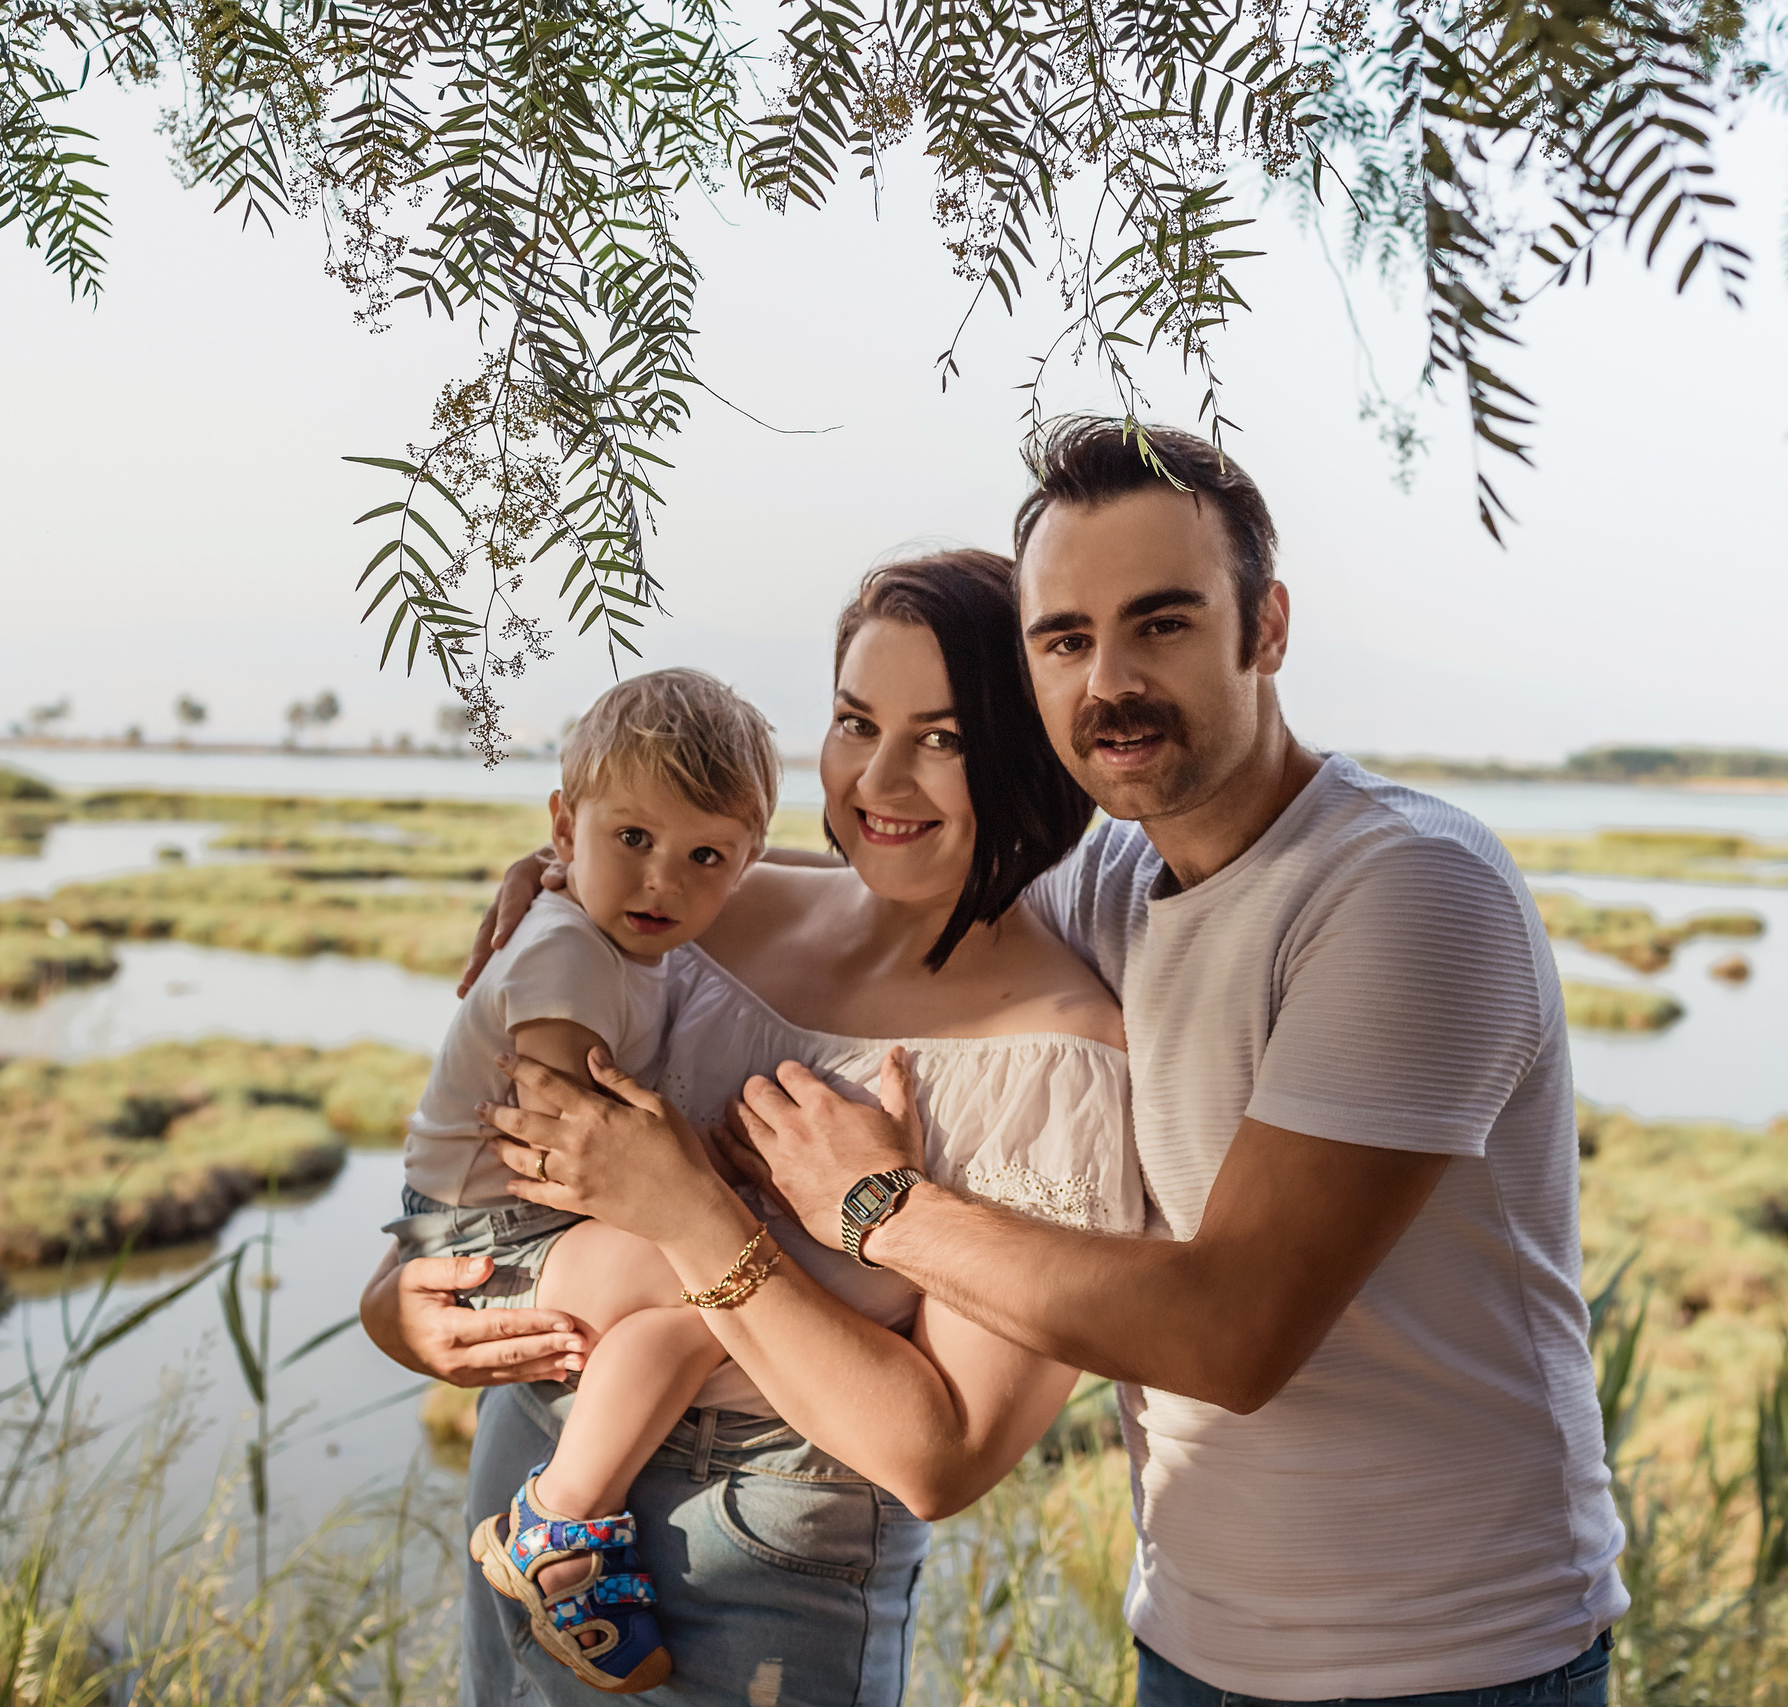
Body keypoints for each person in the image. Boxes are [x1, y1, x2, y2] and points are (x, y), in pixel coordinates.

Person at [494, 421, 1628, 1706]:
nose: (1110, 683)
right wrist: (577, 883)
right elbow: (895, 874)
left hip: (1453, 1657)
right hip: (1199, 1635)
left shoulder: (1403, 894)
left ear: (1266, 628)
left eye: (1162, 624)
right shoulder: (1118, 877)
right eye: (1066, 640)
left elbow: (1232, 1333)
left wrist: (875, 1207)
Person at [361, 549, 1141, 1707]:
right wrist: (404, 1303)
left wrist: (693, 1212)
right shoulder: (716, 902)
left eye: (944, 737)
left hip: (757, 1549)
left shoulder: (1058, 1060)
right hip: (531, 1452)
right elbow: (505, 1144)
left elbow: (943, 1458)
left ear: (1030, 747)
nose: (881, 777)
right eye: (853, 720)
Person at [387, 667, 780, 1693]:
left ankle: (566, 1523)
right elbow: (562, 1154)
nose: (663, 882)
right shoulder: (567, 953)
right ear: (565, 828)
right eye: (632, 842)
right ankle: (555, 1526)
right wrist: (701, 1172)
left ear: (746, 865)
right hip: (488, 1236)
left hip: (512, 1224)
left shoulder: (609, 931)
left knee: (707, 1296)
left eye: (705, 857)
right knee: (725, 1289)